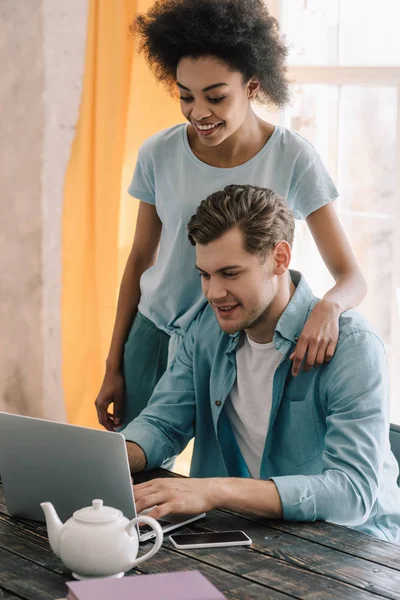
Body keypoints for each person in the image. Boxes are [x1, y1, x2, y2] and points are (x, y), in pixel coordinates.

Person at [95, 0, 366, 436]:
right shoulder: (158, 154)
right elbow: (140, 258)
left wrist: (329, 308)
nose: (199, 111)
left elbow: (352, 276)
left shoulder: (294, 158)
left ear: (253, 86)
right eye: (185, 95)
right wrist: (115, 364)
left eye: (216, 96)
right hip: (155, 335)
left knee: (226, 477)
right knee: (133, 472)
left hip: (243, 346)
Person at [124, 184, 400, 543]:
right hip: (246, 534)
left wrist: (216, 490)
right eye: (205, 275)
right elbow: (163, 423)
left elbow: (352, 492)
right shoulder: (204, 329)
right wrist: (106, 460)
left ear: (279, 258)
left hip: (355, 547)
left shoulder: (352, 346)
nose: (213, 293)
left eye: (230, 273)